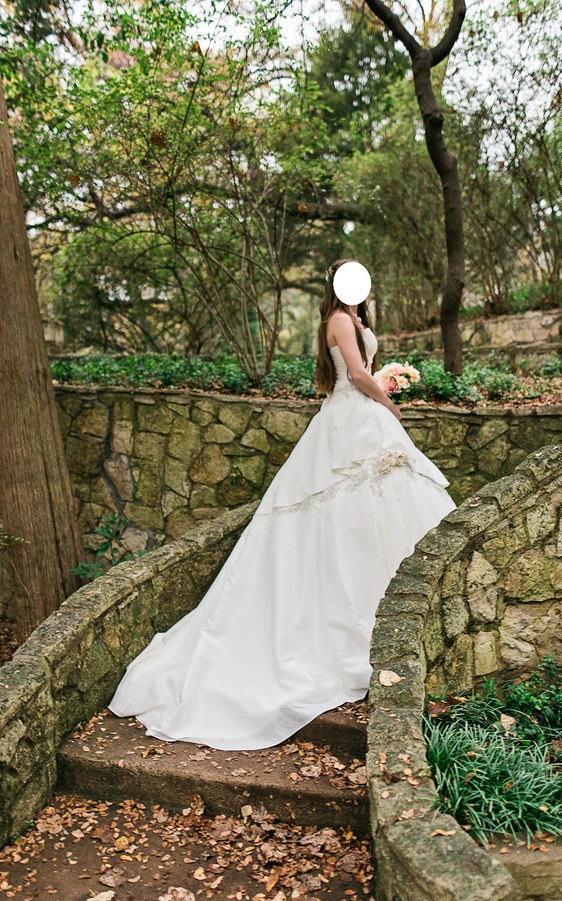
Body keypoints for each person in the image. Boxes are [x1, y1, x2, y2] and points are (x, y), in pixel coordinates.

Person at [108, 259, 456, 750]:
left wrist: (386, 380)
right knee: (342, 506)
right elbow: (356, 374)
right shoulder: (337, 319)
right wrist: (389, 402)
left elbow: (364, 369)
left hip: (357, 415)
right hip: (351, 418)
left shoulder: (356, 321)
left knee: (378, 505)